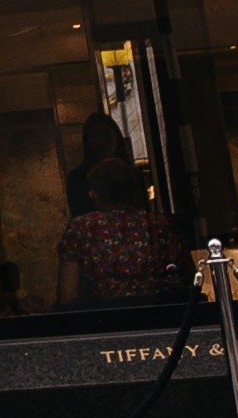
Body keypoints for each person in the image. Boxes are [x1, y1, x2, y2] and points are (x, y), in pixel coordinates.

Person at [55, 109, 192, 307]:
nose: (101, 142)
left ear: (94, 194)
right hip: (161, 314)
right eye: (95, 136)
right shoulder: (160, 225)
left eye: (105, 135)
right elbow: (190, 279)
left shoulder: (81, 230)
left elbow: (68, 296)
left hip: (105, 318)